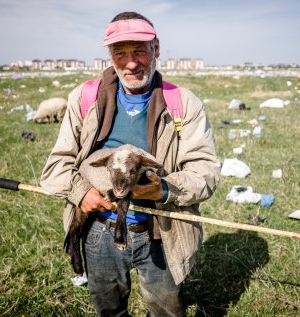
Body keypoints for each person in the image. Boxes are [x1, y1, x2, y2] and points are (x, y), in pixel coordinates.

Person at [40, 11, 220, 317]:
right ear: (109, 55)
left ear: (156, 49)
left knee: (166, 308)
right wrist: (82, 192)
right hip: (100, 231)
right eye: (120, 53)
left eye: (139, 51)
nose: (131, 63)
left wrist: (165, 190)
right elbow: (57, 165)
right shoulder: (86, 100)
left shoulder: (184, 103)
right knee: (109, 309)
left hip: (162, 230)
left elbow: (205, 170)